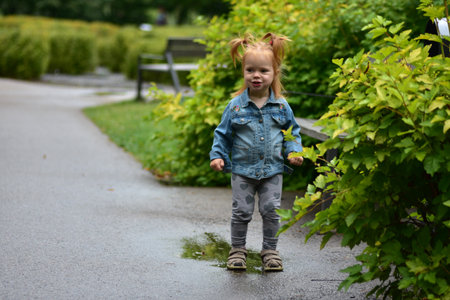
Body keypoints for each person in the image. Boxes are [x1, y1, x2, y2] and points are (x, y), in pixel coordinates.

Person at [209, 33, 303, 272]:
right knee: (241, 211)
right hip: (242, 171)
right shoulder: (236, 106)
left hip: (272, 170)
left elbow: (292, 131)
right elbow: (223, 134)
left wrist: (294, 151)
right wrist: (217, 155)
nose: (256, 75)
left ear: (274, 73)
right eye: (250, 70)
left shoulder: (281, 106)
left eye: (263, 70)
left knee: (271, 211)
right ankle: (237, 251)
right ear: (244, 72)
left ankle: (270, 251)